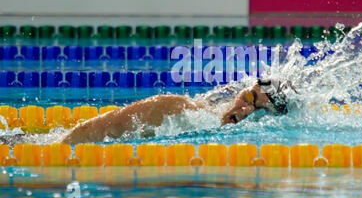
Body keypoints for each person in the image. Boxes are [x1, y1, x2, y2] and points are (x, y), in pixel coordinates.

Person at [61, 79, 289, 144]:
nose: (245, 107)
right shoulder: (181, 108)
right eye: (248, 96)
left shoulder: (178, 110)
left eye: (254, 107)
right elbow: (90, 131)